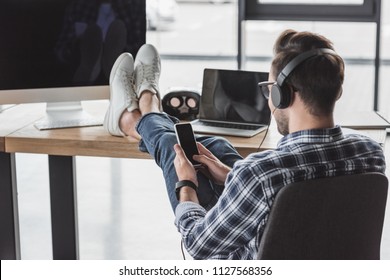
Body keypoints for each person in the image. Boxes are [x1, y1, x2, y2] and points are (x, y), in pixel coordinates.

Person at [103, 30, 386, 260]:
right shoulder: (372, 154)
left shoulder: (258, 174)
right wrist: (231, 174)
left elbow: (198, 245)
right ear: (337, 90)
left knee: (172, 149)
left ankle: (138, 114)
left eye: (269, 89)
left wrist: (186, 185)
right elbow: (310, 202)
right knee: (217, 145)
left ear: (281, 96)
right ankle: (140, 113)